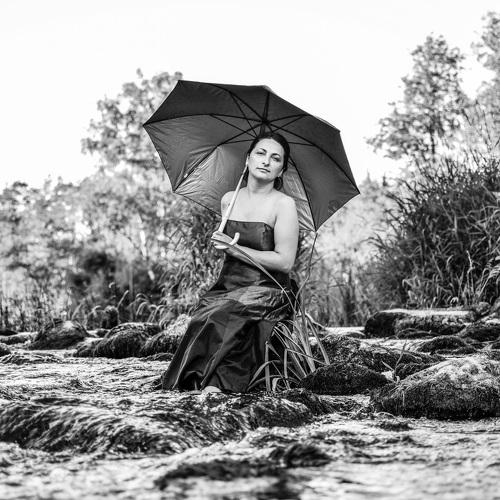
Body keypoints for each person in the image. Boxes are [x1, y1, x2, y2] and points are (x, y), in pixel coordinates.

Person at [161, 131, 299, 394]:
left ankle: (218, 383)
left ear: (281, 170)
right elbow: (228, 246)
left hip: (268, 288)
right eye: (260, 153)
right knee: (203, 314)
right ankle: (191, 384)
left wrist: (235, 249)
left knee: (227, 313)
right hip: (228, 285)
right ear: (247, 159)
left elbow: (284, 262)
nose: (266, 161)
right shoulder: (229, 199)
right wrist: (221, 242)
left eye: (275, 158)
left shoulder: (284, 205)